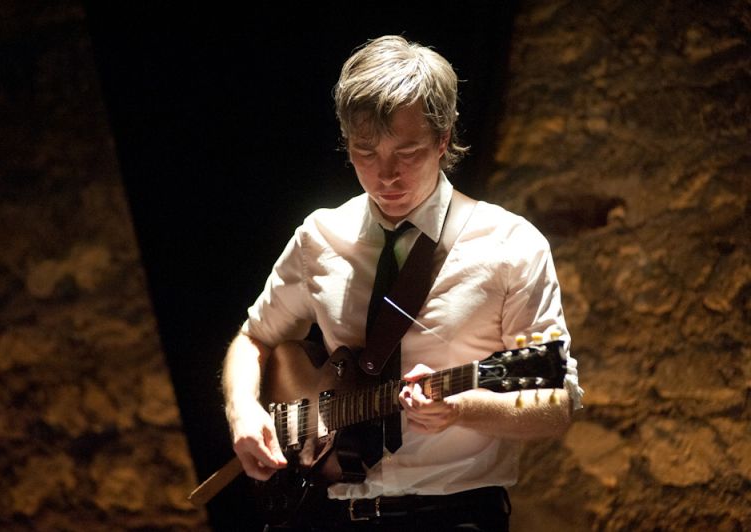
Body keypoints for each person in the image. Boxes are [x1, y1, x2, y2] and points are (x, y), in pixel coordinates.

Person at [221, 35, 583, 531]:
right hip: (328, 514)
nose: (385, 175)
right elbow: (254, 338)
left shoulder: (511, 245)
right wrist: (242, 411)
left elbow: (558, 403)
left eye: (407, 152)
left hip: (454, 516)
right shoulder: (319, 237)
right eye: (365, 152)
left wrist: (462, 408)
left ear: (443, 138)